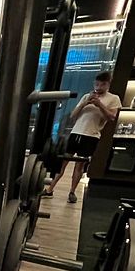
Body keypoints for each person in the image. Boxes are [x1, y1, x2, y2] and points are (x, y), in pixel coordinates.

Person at [44, 71, 121, 203]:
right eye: (97, 84)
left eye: (102, 84)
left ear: (108, 84)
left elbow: (112, 117)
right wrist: (85, 103)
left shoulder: (114, 98)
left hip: (91, 136)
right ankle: (50, 189)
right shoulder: (86, 96)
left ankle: (72, 192)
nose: (99, 87)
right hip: (76, 133)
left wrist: (99, 104)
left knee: (79, 166)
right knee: (62, 163)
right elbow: (73, 115)